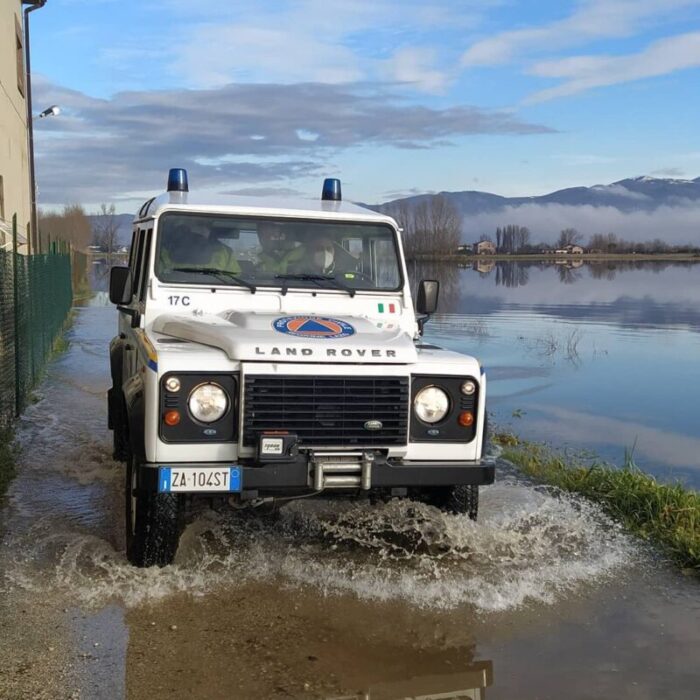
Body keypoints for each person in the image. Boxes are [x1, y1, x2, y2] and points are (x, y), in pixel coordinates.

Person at [159, 223, 241, 275]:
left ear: (210, 231)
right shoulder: (165, 249)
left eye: (206, 227)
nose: (202, 230)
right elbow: (156, 276)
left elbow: (235, 279)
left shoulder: (224, 252)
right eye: (198, 225)